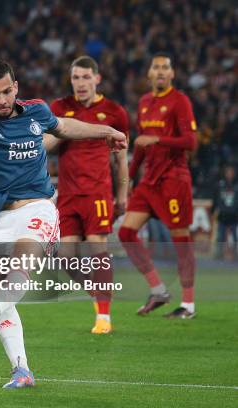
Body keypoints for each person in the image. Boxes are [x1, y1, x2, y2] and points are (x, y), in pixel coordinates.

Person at [0, 59, 126, 388]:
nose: (2, 99)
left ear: (15, 87)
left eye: (6, 91)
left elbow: (66, 126)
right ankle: (21, 369)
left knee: (22, 264)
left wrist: (107, 131)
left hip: (38, 208)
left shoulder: (36, 111)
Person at [45, 56, 129, 334]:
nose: (80, 83)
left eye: (85, 77)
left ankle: (103, 317)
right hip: (68, 194)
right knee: (65, 256)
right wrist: (63, 130)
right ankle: (98, 291)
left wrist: (123, 193)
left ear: (97, 78)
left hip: (98, 193)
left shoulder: (114, 112)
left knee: (97, 248)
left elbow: (121, 158)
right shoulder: (59, 108)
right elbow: (45, 146)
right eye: (75, 78)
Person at [118, 53, 198, 319]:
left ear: (172, 74)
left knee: (181, 242)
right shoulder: (144, 102)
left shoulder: (180, 101)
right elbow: (141, 144)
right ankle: (159, 290)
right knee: (126, 233)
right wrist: (129, 178)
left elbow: (190, 142)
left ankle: (188, 305)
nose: (161, 72)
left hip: (174, 179)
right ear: (150, 74)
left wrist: (158, 139)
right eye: (156, 68)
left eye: (166, 67)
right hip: (149, 182)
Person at [212, 164, 238, 258]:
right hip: (222, 216)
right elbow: (215, 199)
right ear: (225, 173)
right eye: (228, 172)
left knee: (235, 238)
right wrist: (213, 211)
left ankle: (235, 254)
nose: (229, 174)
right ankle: (218, 255)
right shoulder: (220, 185)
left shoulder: (236, 185)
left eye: (231, 172)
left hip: (234, 216)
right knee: (220, 238)